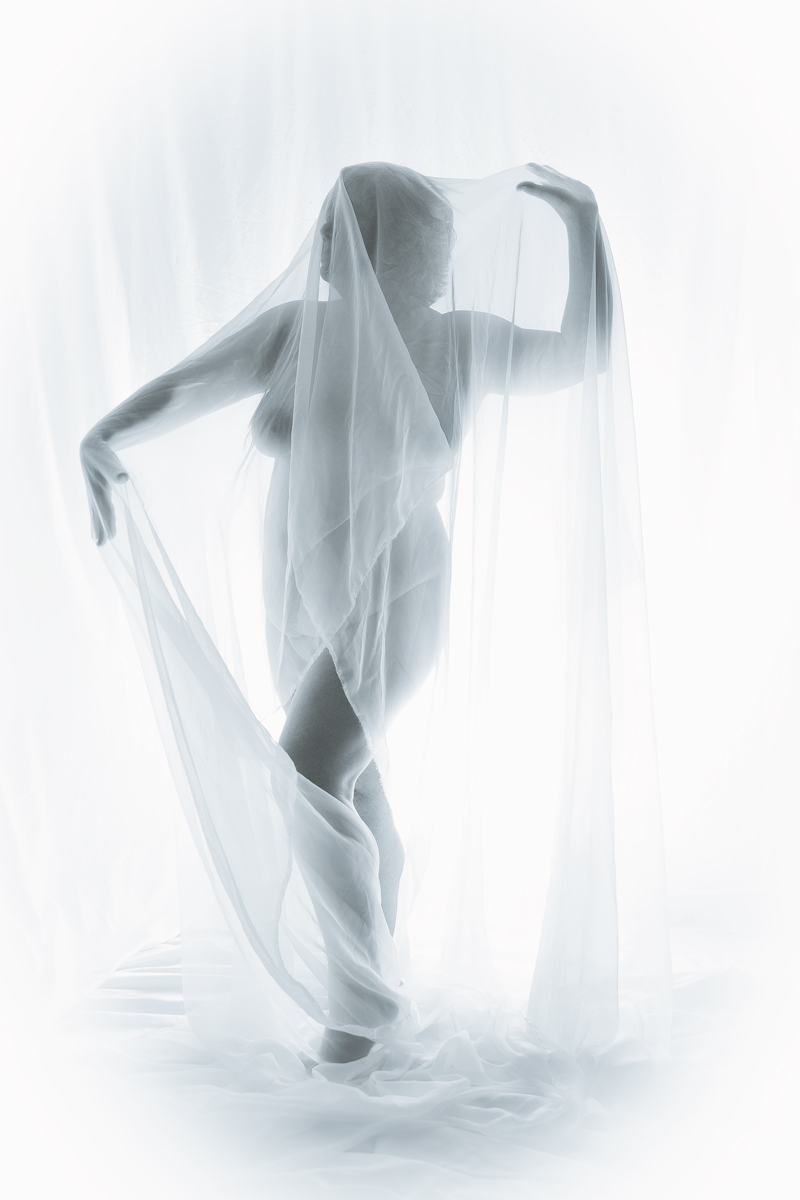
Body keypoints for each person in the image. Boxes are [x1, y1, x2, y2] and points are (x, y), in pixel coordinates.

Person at [80, 162, 613, 1063]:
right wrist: (102, 439)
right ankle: (379, 973)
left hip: (401, 582)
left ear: (388, 245)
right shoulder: (297, 330)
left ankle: (360, 1018)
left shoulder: (458, 340)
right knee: (354, 790)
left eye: (339, 231)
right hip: (299, 590)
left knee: (308, 771)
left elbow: (582, 353)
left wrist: (582, 219)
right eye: (323, 230)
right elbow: (186, 386)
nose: (320, 246)